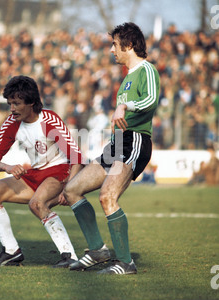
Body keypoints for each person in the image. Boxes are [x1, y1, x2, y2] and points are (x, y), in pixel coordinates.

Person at [64, 22, 160, 275]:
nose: (111, 50)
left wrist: (124, 106)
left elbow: (150, 100)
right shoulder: (127, 77)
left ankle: (126, 263)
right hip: (117, 143)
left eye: (115, 45)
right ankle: (97, 251)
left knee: (107, 197)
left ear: (129, 45)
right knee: (72, 189)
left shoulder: (146, 70)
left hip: (136, 140)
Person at [0, 75, 84, 267]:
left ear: (32, 103)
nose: (12, 108)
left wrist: (69, 187)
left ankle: (70, 255)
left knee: (37, 203)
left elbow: (76, 156)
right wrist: (7, 167)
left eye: (17, 103)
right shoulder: (12, 122)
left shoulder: (49, 119)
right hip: (35, 174)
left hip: (59, 171)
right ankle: (11, 251)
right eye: (10, 103)